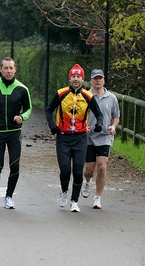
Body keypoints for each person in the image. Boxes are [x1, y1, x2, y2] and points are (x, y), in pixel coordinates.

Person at [45, 64, 104, 212]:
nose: (76, 79)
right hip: (63, 137)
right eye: (73, 76)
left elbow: (99, 114)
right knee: (65, 170)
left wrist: (99, 124)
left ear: (83, 79)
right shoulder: (61, 93)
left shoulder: (88, 96)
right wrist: (53, 125)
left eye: (78, 76)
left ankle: (74, 201)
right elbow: (48, 110)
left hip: (80, 138)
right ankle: (64, 191)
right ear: (70, 78)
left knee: (78, 171)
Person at [0, 57, 32, 209]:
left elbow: (28, 108)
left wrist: (22, 117)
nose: (9, 71)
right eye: (6, 68)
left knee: (15, 166)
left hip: (14, 132)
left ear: (15, 69)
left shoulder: (22, 89)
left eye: (11, 68)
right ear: (1, 70)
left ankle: (8, 197)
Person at [81, 69, 120, 209]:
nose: (98, 81)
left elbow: (116, 116)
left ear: (104, 80)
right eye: (95, 78)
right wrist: (83, 126)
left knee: (102, 167)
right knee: (89, 170)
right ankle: (87, 181)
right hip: (89, 136)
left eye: (100, 78)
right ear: (91, 81)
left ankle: (97, 198)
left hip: (105, 136)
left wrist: (113, 127)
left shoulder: (112, 98)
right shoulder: (85, 96)